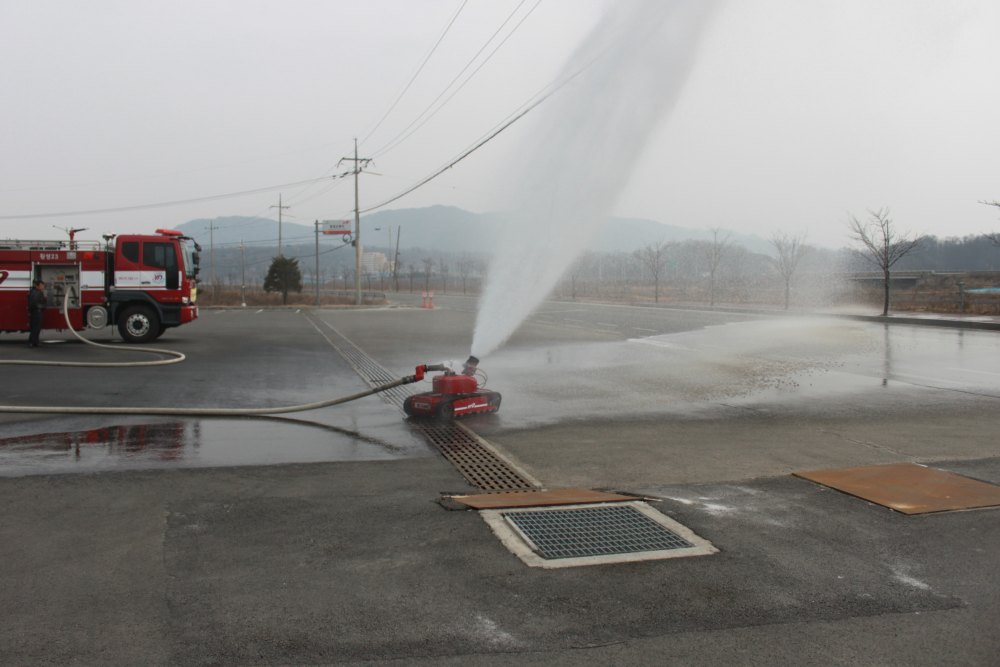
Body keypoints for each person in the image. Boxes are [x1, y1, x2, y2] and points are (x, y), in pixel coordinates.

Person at [27, 279, 46, 348]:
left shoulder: (37, 292)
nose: (43, 287)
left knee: (36, 327)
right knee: (35, 327)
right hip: (36, 311)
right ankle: (31, 341)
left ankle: (35, 341)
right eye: (41, 285)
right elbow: (34, 303)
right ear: (37, 286)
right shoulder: (36, 293)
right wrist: (43, 307)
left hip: (35, 311)